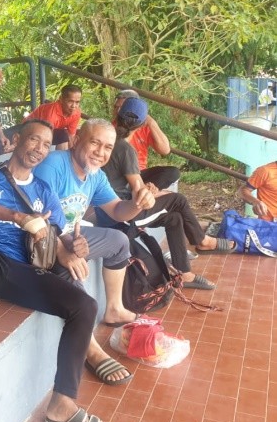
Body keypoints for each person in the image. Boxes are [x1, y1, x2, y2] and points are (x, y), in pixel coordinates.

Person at [0, 119, 113, 422]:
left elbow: (60, 238)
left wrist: (75, 246)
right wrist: (18, 217)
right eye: (34, 140)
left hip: (19, 271)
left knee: (85, 306)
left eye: (47, 145)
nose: (40, 149)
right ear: (17, 139)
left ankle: (62, 404)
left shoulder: (44, 191)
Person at [34, 118, 158, 386]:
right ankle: (89, 347)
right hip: (41, 239)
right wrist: (64, 249)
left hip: (73, 236)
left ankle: (114, 309)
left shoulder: (95, 176)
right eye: (95, 143)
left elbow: (118, 211)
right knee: (69, 265)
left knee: (119, 240)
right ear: (78, 138)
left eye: (107, 147)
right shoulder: (54, 166)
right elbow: (37, 217)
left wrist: (137, 203)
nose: (100, 153)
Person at [99, 97, 236, 290]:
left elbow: (135, 184)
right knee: (178, 200)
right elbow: (140, 196)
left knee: (174, 219)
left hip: (110, 208)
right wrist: (157, 193)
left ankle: (184, 273)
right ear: (142, 124)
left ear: (118, 115)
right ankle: (202, 240)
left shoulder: (108, 141)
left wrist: (154, 190)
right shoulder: (125, 149)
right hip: (122, 215)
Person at [112, 89, 179, 191]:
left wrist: (151, 123)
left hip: (140, 172)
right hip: (121, 173)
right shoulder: (110, 128)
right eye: (116, 107)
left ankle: (147, 191)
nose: (118, 111)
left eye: (122, 107)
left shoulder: (144, 127)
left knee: (173, 172)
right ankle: (141, 192)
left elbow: (165, 150)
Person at [23, 85, 82, 150]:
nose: (74, 106)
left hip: (45, 131)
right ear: (61, 99)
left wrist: (72, 153)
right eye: (70, 101)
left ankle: (62, 156)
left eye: (77, 102)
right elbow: (45, 136)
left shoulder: (76, 113)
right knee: (62, 135)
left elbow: (71, 136)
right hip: (27, 130)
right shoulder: (51, 113)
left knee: (64, 135)